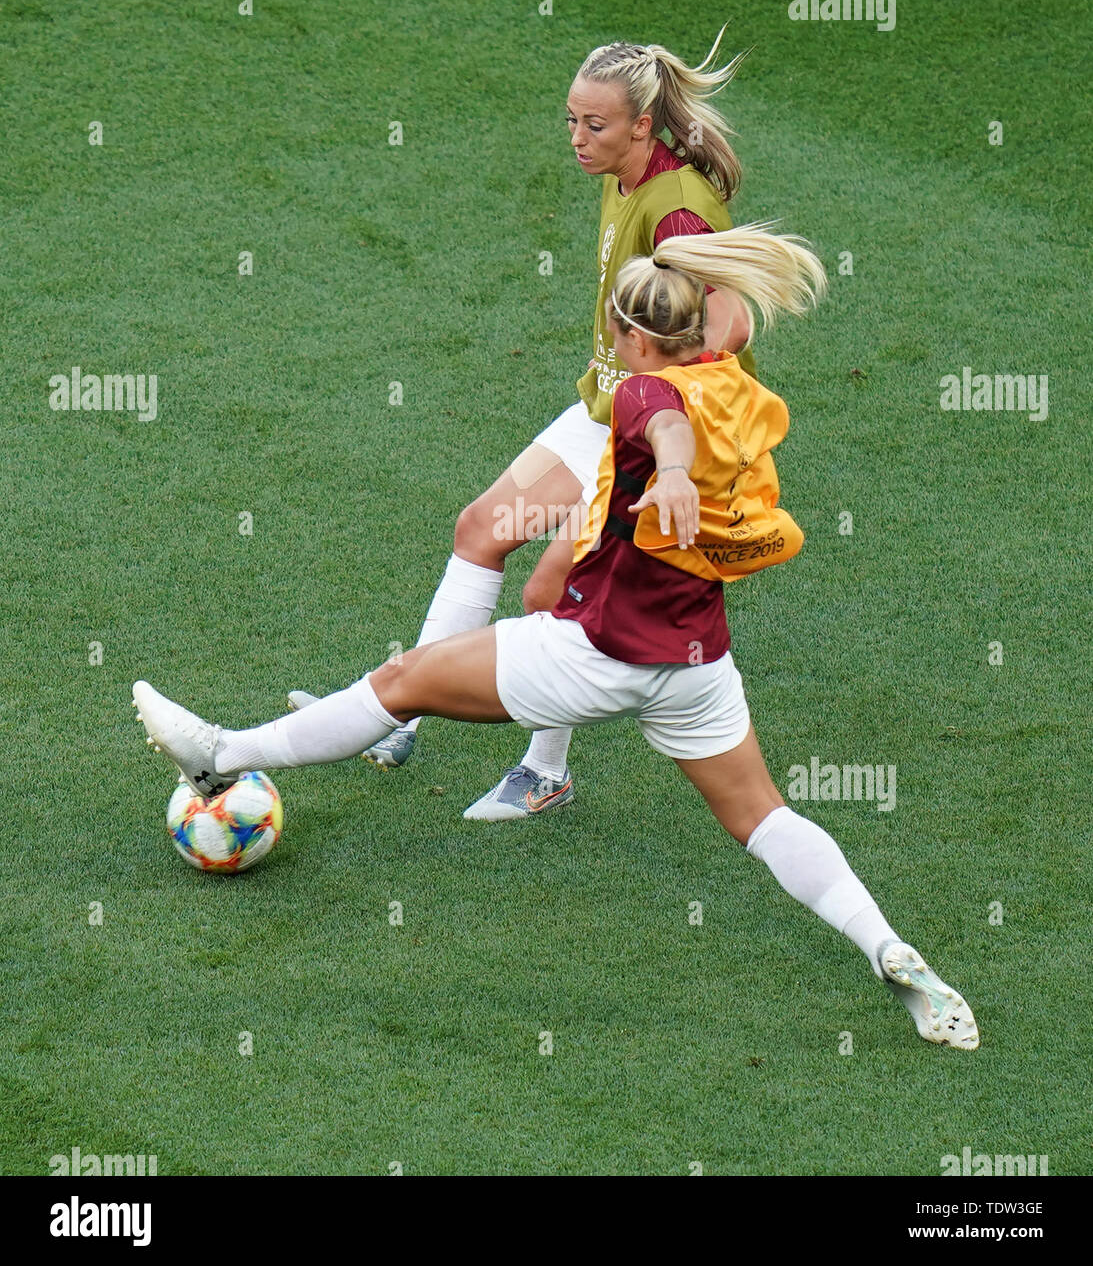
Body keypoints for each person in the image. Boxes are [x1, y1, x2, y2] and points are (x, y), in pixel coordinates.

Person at [133, 225, 979, 1051]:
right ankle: (888, 950)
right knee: (763, 817)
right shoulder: (738, 386)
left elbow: (659, 418)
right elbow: (713, 361)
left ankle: (220, 752)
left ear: (625, 335)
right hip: (696, 664)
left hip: (594, 652)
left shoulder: (644, 391)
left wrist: (673, 469)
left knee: (402, 680)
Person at [291, 28, 757, 823]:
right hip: (603, 408)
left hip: (647, 435)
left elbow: (733, 323)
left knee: (552, 586)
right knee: (481, 529)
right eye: (570, 122)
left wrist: (657, 406)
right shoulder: (625, 172)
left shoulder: (676, 212)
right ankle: (395, 711)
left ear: (642, 124)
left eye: (595, 126)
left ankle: (544, 771)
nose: (577, 140)